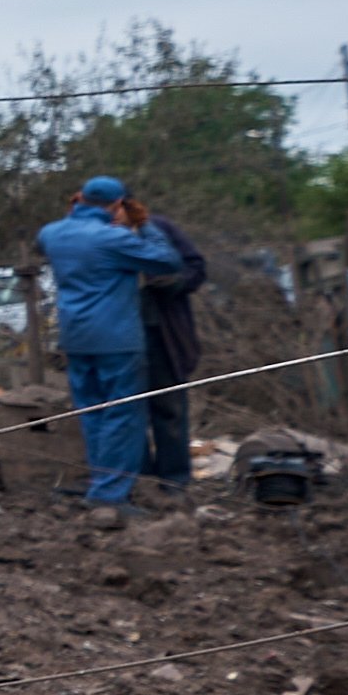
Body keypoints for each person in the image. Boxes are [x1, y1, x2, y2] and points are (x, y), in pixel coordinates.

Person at [33, 174, 183, 510]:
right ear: (118, 205)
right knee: (122, 414)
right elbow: (168, 260)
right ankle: (109, 495)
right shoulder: (113, 240)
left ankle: (100, 482)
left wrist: (76, 214)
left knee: (92, 412)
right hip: (116, 338)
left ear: (79, 199)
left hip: (75, 336)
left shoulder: (52, 233)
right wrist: (142, 223)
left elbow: (43, 242)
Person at [119, 190, 211, 492]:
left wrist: (174, 283)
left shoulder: (158, 229)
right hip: (119, 336)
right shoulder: (99, 238)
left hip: (162, 331)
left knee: (169, 407)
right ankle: (142, 481)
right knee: (129, 410)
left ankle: (174, 482)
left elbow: (196, 267)